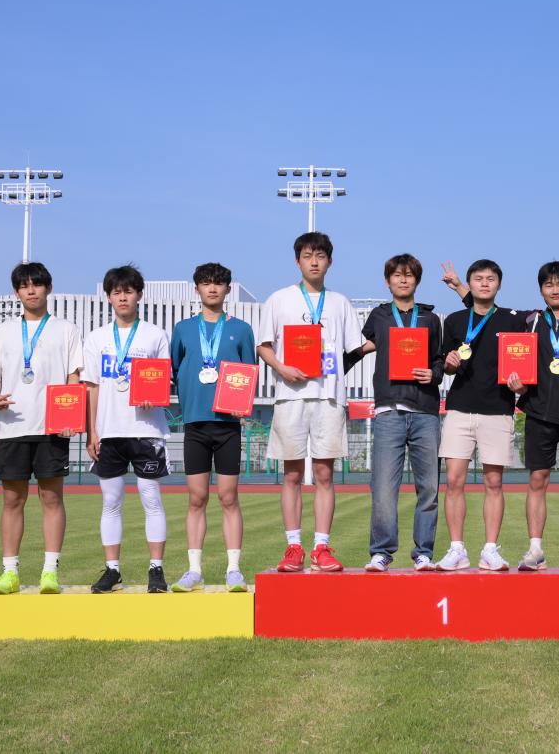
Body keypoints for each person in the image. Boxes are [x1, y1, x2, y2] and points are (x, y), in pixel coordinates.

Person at [441, 259, 559, 572]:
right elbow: (484, 313)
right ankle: (535, 550)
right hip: (538, 409)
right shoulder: (529, 320)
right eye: (548, 284)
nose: (555, 290)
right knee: (537, 479)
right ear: (541, 289)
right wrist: (460, 288)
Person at [257, 232, 366, 573]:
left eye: (320, 256)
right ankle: (293, 547)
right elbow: (263, 346)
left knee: (324, 474)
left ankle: (321, 547)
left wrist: (390, 336)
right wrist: (281, 368)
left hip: (328, 395)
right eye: (307, 256)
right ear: (297, 261)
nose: (314, 262)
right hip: (290, 395)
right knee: (291, 474)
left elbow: (357, 346)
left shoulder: (340, 302)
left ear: (330, 261)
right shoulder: (279, 299)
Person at [0, 262, 84, 595]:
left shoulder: (66, 329)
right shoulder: (2, 332)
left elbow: (73, 376)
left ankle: (50, 571)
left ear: (48, 288)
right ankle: (9, 572)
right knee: (12, 499)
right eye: (24, 285)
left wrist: (70, 417)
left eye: (37, 284)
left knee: (51, 497)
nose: (31, 290)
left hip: (51, 426)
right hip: (11, 426)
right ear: (17, 292)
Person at [434, 259, 529, 571]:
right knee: (453, 480)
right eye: (478, 278)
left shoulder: (513, 320)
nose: (484, 283)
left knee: (494, 482)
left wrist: (522, 384)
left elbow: (527, 356)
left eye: (490, 278)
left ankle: (490, 550)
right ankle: (456, 549)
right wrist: (449, 364)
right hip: (459, 408)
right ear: (470, 283)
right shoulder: (455, 321)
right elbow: (447, 365)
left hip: (498, 409)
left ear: (499, 284)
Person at [352, 254, 445, 572]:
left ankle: (424, 552)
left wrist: (434, 374)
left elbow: (438, 359)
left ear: (417, 280)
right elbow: (360, 347)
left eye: (409, 275)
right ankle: (381, 551)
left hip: (425, 412)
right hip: (388, 409)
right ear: (387, 281)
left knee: (429, 487)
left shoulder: (430, 319)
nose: (403, 280)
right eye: (397, 275)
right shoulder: (378, 316)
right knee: (382, 488)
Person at [84, 265, 174, 594]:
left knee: (151, 499)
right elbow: (91, 387)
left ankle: (156, 569)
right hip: (109, 431)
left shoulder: (155, 335)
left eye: (129, 291)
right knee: (111, 500)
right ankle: (112, 570)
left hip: (147, 429)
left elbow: (164, 380)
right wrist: (91, 432)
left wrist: (156, 395)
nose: (123, 297)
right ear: (109, 297)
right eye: (117, 292)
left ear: (139, 295)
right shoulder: (96, 338)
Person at [169, 262, 257, 592]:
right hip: (195, 422)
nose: (212, 288)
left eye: (218, 283)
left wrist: (242, 405)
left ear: (228, 289)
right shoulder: (182, 329)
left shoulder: (242, 330)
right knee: (197, 498)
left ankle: (234, 570)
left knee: (229, 497)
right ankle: (194, 571)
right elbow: (175, 369)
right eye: (206, 283)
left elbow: (248, 373)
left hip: (227, 424)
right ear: (197, 289)